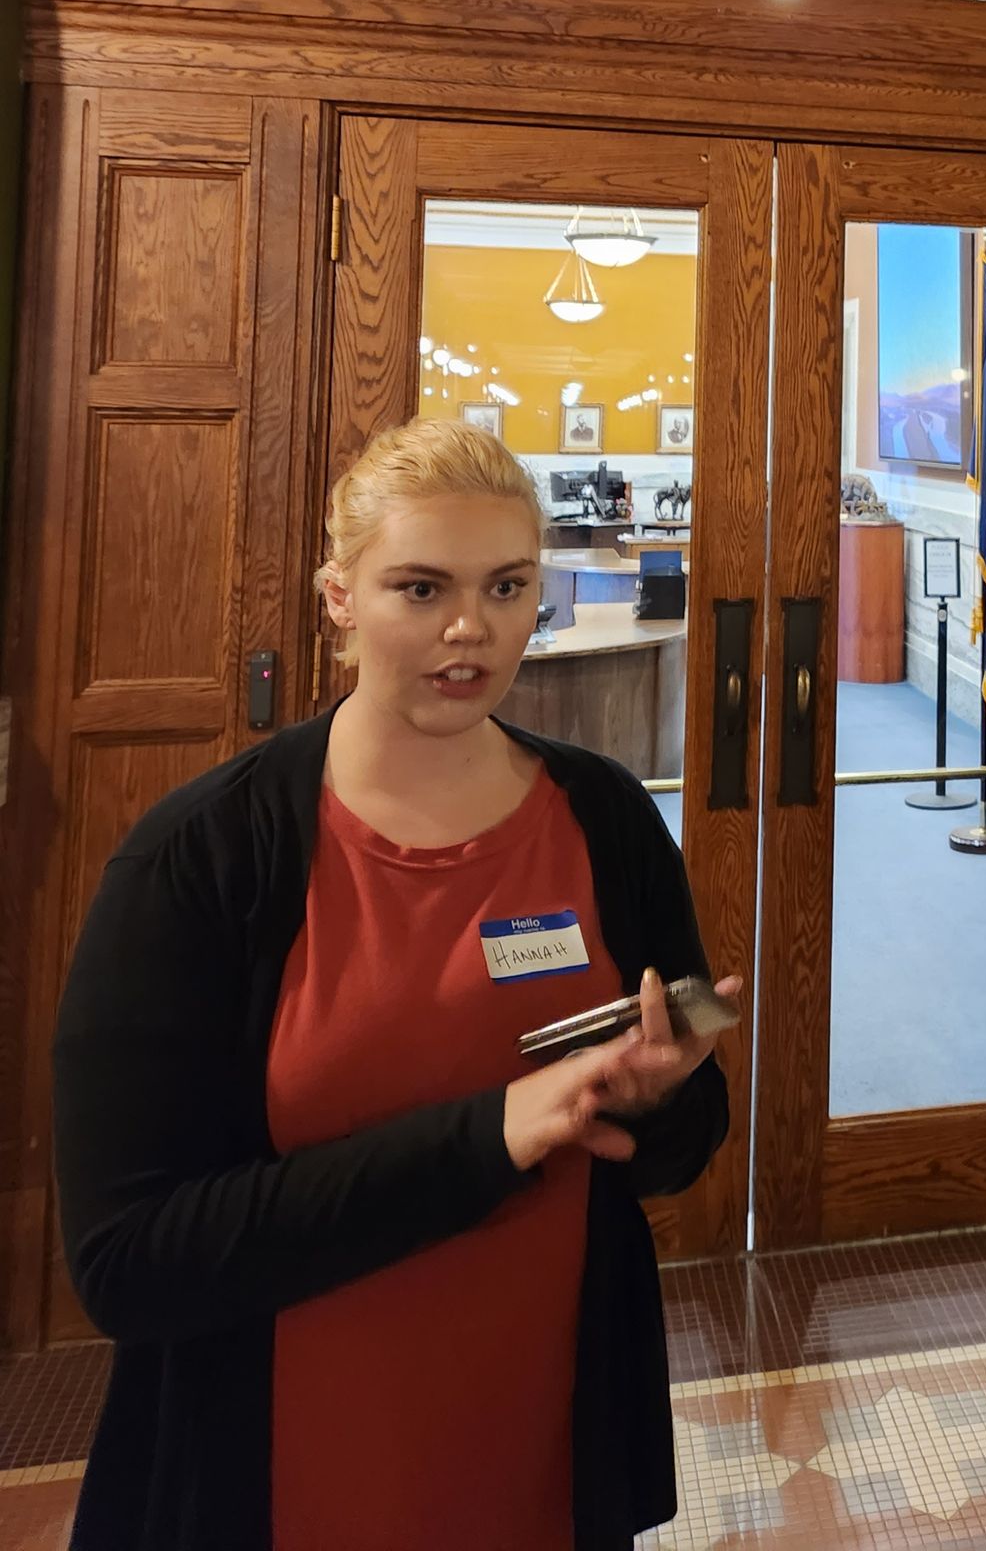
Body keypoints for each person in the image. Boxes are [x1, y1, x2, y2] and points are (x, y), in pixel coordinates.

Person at [53, 418, 737, 1551]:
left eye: (508, 586)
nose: (471, 628)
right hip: (282, 1469)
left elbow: (676, 1151)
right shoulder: (203, 860)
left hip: (545, 1445)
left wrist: (655, 1093)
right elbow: (129, 1261)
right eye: (421, 588)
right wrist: (492, 1134)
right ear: (339, 595)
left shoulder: (607, 818)